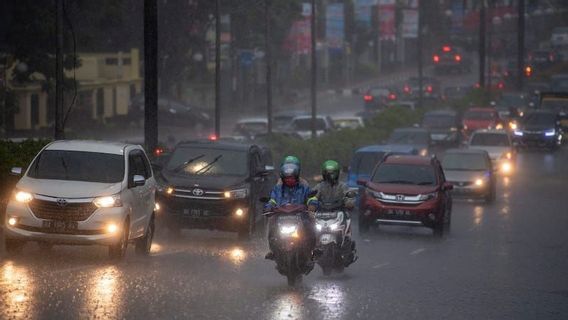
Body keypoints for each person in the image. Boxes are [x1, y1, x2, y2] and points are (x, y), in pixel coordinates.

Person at [264, 161, 318, 261]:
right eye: (287, 178)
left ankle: (314, 249)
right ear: (283, 178)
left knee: (311, 223)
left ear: (297, 177)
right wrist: (268, 207)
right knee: (271, 223)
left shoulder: (304, 187)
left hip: (300, 215)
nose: (289, 180)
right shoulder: (278, 188)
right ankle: (272, 250)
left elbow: (311, 198)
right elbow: (272, 200)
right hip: (281, 216)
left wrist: (312, 205)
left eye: (292, 178)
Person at [313, 160, 357, 265]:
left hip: (339, 212)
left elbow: (348, 196)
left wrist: (349, 202)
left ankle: (346, 248)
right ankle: (312, 249)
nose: (330, 176)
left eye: (332, 173)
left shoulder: (342, 186)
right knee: (310, 231)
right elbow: (312, 196)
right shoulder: (320, 186)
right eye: (328, 173)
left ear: (337, 173)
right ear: (324, 173)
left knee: (347, 224)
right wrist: (309, 202)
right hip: (322, 214)